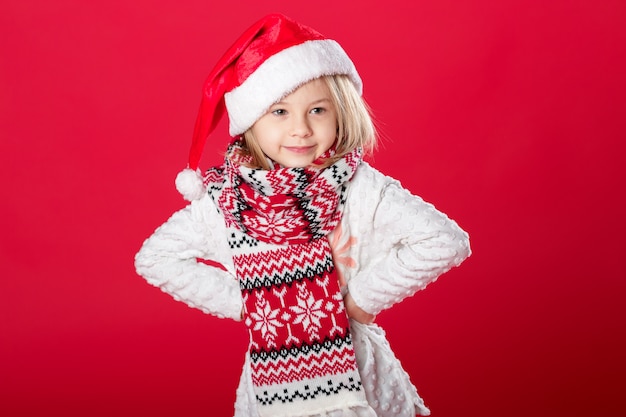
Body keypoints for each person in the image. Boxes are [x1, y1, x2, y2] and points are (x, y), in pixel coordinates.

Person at [135, 13, 470, 417]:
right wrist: (245, 301)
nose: (300, 130)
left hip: (357, 378)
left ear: (341, 112)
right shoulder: (226, 202)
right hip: (272, 389)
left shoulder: (360, 187)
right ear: (249, 121)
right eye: (279, 112)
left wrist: (362, 299)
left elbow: (445, 241)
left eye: (317, 110)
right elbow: (154, 258)